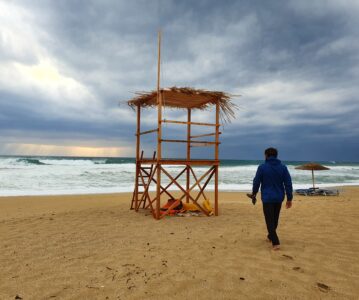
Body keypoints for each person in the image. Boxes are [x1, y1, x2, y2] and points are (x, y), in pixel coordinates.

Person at [249, 147, 293, 250]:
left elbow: (256, 182)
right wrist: (289, 198)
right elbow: (288, 183)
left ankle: (275, 242)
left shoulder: (262, 167)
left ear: (267, 155)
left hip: (267, 197)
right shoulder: (283, 168)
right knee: (275, 219)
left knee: (270, 220)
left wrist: (254, 193)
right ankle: (270, 236)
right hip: (279, 197)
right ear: (276, 156)